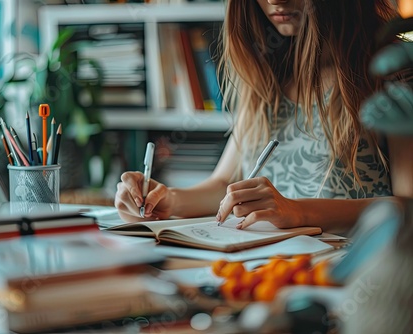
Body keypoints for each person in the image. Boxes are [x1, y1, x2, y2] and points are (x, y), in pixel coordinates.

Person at [115, 0, 405, 232]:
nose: (275, 1)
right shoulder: (267, 76)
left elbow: (408, 207)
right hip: (274, 267)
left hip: (355, 274)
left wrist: (296, 211)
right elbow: (222, 186)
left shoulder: (395, 73)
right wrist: (165, 199)